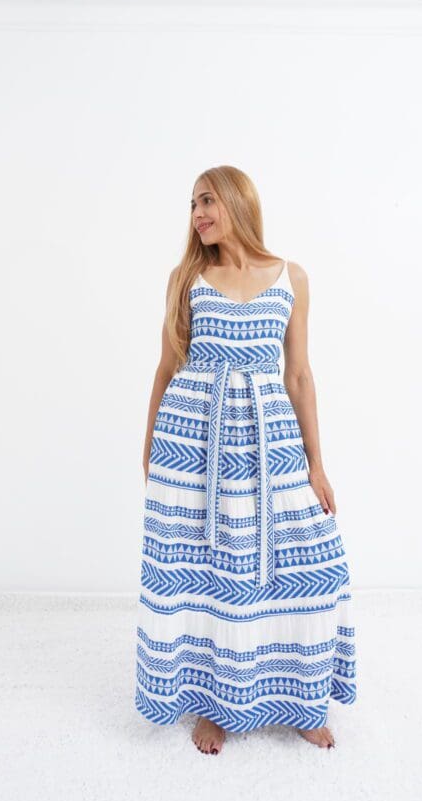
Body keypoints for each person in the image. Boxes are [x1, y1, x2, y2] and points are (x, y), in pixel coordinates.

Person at [135, 165, 356, 754]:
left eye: (207, 200)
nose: (197, 213)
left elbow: (300, 375)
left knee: (307, 561)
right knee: (209, 572)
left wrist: (316, 464)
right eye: (192, 204)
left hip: (271, 441)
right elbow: (165, 368)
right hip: (195, 445)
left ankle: (303, 698)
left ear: (236, 201)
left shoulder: (291, 277)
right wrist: (151, 442)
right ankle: (214, 706)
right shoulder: (188, 278)